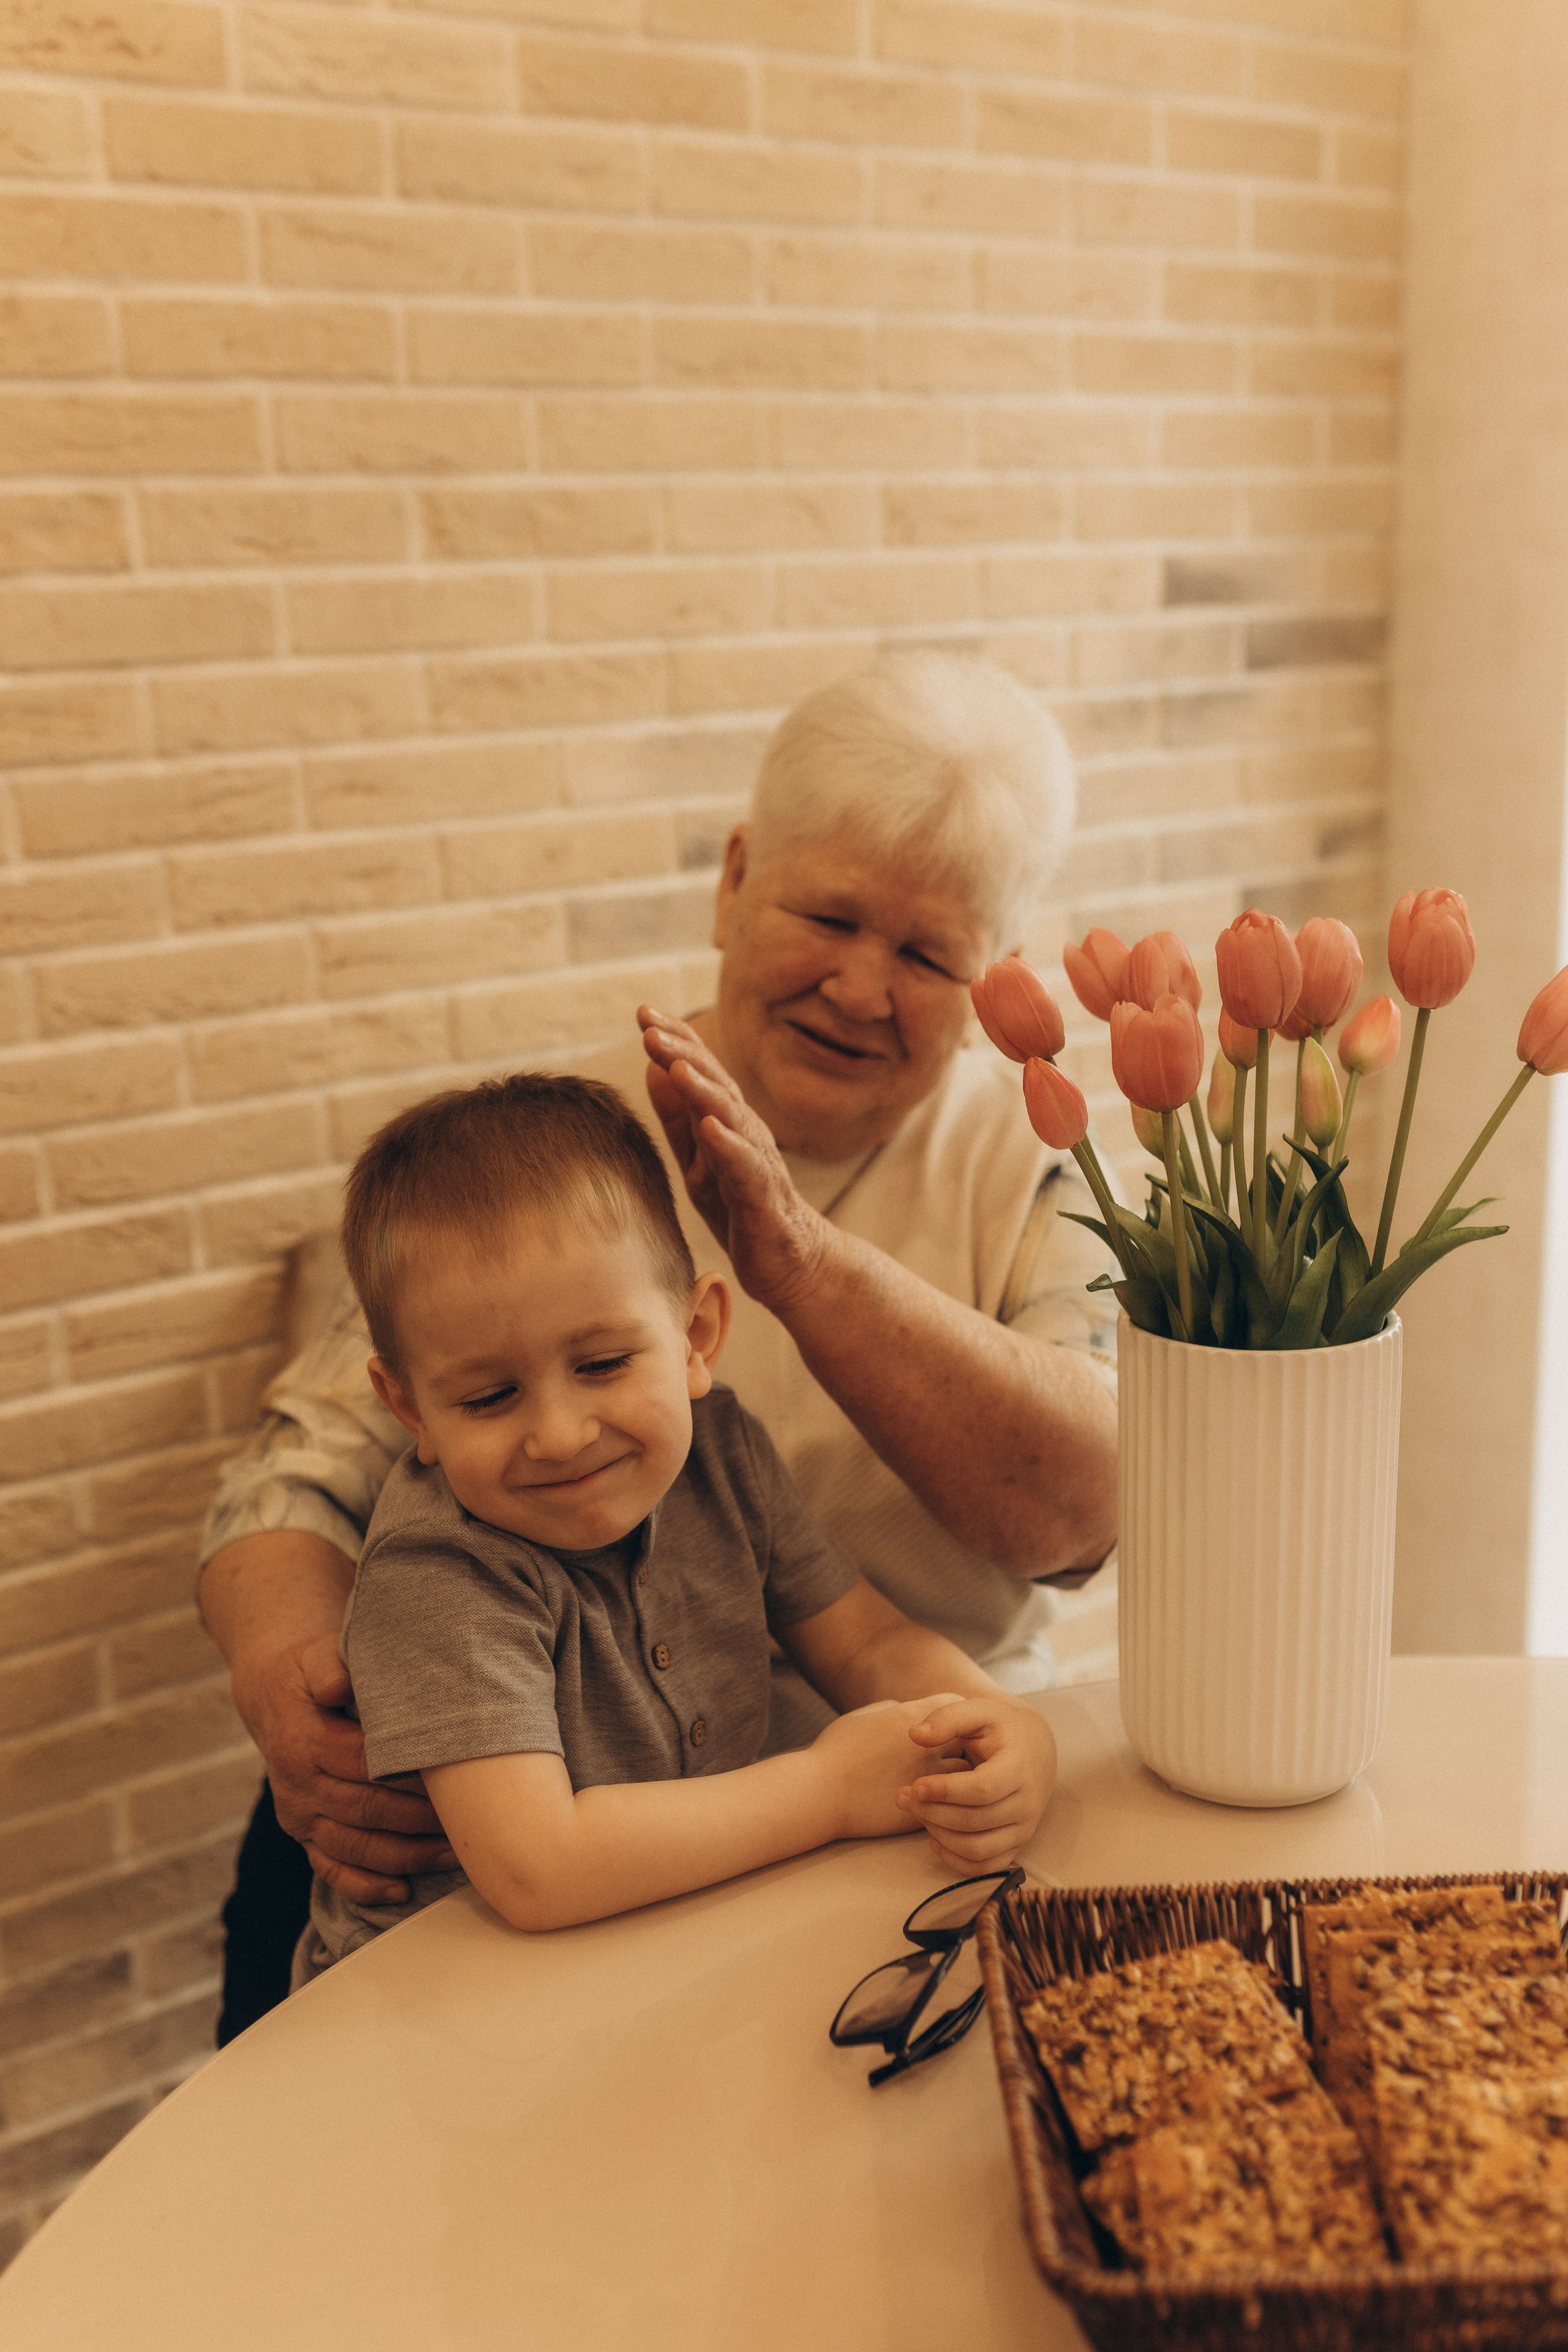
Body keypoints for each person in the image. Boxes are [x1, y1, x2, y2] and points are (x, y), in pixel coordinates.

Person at [199, 652, 1119, 2036]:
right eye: (826, 917)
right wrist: (300, 1690)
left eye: (928, 955)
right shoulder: (552, 1155)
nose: (861, 988)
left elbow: (1079, 1514)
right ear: (733, 882)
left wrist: (803, 1265)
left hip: (885, 1793)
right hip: (557, 1801)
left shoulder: (1038, 1171)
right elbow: (299, 1470)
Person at [296, 1071, 1058, 1979]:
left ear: (696, 1337)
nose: (560, 1434)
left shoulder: (721, 1455)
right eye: (490, 1396)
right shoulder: (438, 1572)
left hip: (660, 1944)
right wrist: (827, 1789)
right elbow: (539, 1869)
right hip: (441, 1997)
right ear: (410, 1408)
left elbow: (867, 1643)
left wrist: (1002, 1725)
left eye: (603, 1364)